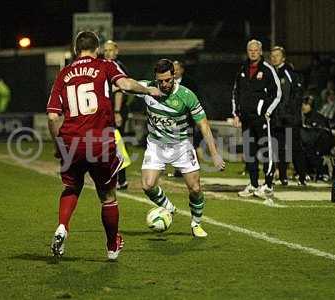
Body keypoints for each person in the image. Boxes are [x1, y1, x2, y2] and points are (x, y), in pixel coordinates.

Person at [46, 31, 161, 260]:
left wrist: (60, 144)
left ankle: (62, 226)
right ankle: (111, 246)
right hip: (99, 141)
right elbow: (126, 84)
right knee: (108, 195)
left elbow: (52, 117)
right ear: (96, 49)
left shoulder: (64, 74)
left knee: (71, 187)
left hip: (71, 141)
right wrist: (149, 90)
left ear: (76, 49)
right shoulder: (105, 66)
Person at [137, 59, 225, 237]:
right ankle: (168, 207)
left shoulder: (186, 95)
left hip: (181, 146)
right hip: (156, 145)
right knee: (147, 185)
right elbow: (124, 83)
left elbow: (204, 125)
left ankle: (196, 224)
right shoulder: (147, 89)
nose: (164, 84)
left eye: (167, 80)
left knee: (195, 189)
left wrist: (214, 154)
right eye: (160, 81)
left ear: (174, 76)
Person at [231, 39, 282, 202]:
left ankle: (268, 185)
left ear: (260, 52)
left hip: (261, 118)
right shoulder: (242, 69)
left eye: (255, 50)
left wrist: (267, 112)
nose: (253, 52)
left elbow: (278, 93)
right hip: (246, 118)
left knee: (266, 150)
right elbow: (235, 92)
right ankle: (253, 184)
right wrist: (236, 113)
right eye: (250, 50)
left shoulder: (267, 69)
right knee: (249, 152)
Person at [269, 46, 307, 186]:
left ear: (283, 58)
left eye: (277, 55)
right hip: (278, 119)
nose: (274, 58)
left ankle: (302, 176)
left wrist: (289, 113)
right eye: (272, 56)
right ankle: (283, 177)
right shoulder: (272, 73)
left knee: (295, 147)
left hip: (290, 119)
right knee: (280, 148)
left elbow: (296, 95)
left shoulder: (289, 73)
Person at [103, 40, 131, 190]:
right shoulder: (105, 65)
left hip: (115, 112)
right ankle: (117, 178)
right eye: (105, 50)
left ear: (116, 51)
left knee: (117, 145)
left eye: (110, 50)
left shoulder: (117, 66)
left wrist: (117, 112)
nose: (107, 53)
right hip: (109, 112)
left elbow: (119, 91)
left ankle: (121, 179)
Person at [171, 60, 203, 178]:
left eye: (177, 68)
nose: (174, 71)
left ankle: (192, 168)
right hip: (171, 120)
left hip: (186, 120)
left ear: (182, 70)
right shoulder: (166, 82)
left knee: (188, 144)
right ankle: (178, 169)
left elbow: (195, 100)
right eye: (173, 69)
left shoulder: (190, 83)